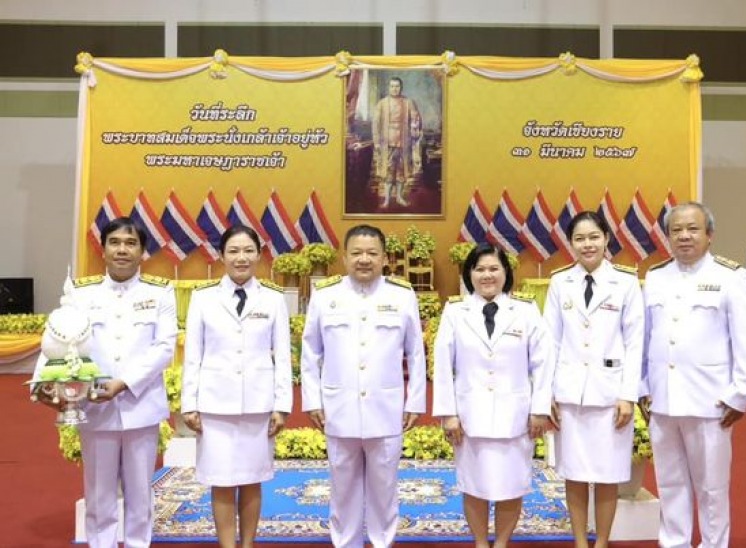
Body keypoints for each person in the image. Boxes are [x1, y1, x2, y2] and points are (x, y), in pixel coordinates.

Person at [33, 216, 177, 548]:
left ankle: (139, 544)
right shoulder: (81, 295)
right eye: (115, 242)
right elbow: (58, 338)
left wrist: (123, 383)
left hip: (141, 407)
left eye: (131, 243)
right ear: (104, 249)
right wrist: (44, 383)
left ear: (143, 251)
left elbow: (164, 349)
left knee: (141, 494)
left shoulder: (160, 293)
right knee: (99, 496)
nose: (122, 250)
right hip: (95, 409)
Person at [641, 202, 746, 548]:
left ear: (709, 235)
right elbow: (645, 338)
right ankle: (674, 542)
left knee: (711, 486)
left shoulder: (731, 277)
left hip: (711, 401)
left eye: (692, 229)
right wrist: (642, 388)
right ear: (667, 237)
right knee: (669, 483)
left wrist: (739, 395)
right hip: (663, 400)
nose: (684, 236)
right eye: (676, 230)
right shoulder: (656, 277)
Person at [301, 224, 426, 548]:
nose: (364, 259)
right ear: (344, 257)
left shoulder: (401, 295)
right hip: (338, 410)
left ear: (385, 258)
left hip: (386, 411)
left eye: (372, 253)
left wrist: (414, 402)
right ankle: (346, 543)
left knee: (384, 488)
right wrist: (313, 400)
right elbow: (311, 350)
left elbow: (415, 352)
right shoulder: (326, 295)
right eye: (356, 253)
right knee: (342, 488)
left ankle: (382, 542)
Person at [433, 243, 554, 548]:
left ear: (505, 273)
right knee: (473, 484)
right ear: (469, 273)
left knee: (511, 485)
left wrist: (540, 409)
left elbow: (543, 362)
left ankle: (501, 542)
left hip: (515, 416)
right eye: (480, 269)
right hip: (469, 415)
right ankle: (480, 543)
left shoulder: (525, 311)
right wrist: (448, 413)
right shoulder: (455, 311)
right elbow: (443, 363)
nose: (487, 275)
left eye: (494, 269)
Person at [181, 225, 292, 548]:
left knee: (253, 479)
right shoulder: (203, 299)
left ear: (259, 255)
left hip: (258, 405)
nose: (241, 258)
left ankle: (248, 545)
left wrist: (281, 405)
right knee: (221, 481)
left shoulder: (273, 299)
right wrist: (190, 403)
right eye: (233, 251)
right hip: (215, 405)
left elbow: (283, 357)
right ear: (221, 256)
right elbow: (193, 356)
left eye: (248, 251)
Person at [542, 211, 644, 548]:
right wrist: (548, 394)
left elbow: (635, 341)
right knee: (574, 472)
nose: (588, 244)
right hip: (570, 393)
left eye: (594, 237)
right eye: (580, 239)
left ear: (606, 239)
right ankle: (579, 541)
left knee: (607, 474)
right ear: (570, 244)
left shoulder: (626, 282)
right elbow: (550, 341)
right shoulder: (560, 282)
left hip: (611, 394)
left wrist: (628, 395)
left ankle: (601, 541)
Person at [371, 76, 423, 208]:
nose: (395, 89)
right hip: (386, 143)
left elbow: (416, 120)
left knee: (401, 171)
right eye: (392, 86)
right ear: (389, 87)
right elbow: (375, 124)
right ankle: (387, 199)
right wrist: (377, 142)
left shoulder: (409, 102)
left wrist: (415, 133)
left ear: (401, 87)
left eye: (397, 86)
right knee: (388, 171)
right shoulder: (382, 103)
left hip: (404, 142)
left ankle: (399, 197)